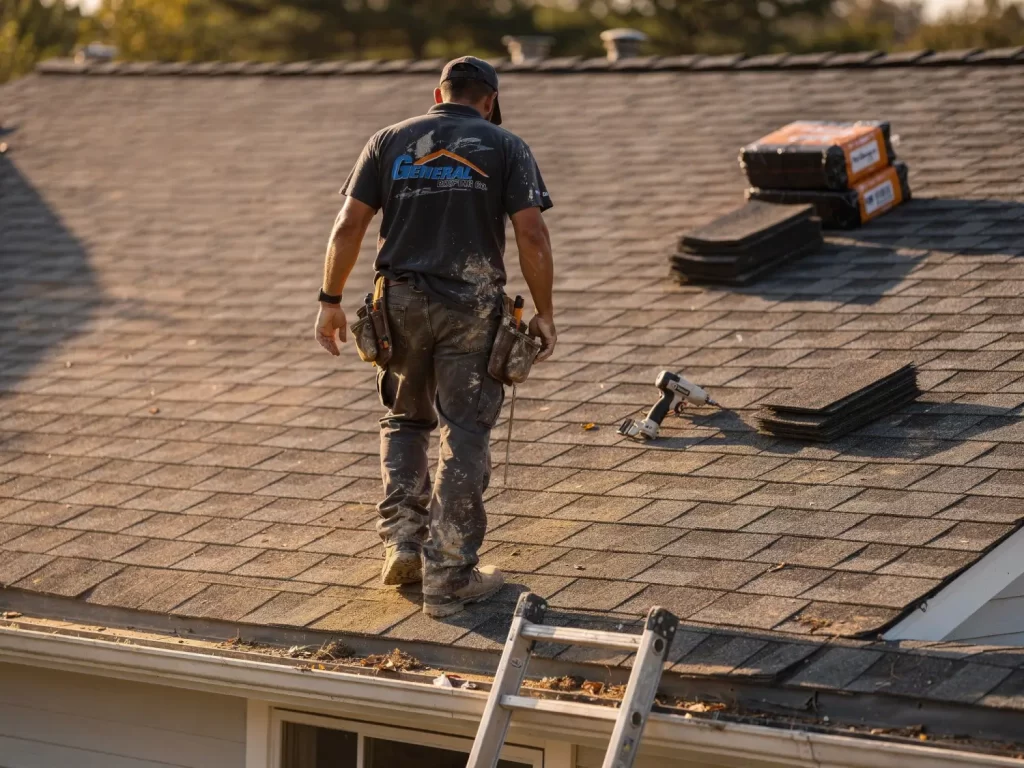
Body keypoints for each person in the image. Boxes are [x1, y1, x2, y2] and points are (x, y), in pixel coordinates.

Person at [314, 56, 556, 618]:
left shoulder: (389, 141)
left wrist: (329, 301)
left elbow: (348, 225)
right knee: (465, 431)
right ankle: (448, 572)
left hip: (397, 301)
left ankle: (403, 542)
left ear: (438, 93)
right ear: (489, 99)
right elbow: (533, 234)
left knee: (405, 419)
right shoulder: (504, 146)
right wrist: (544, 312)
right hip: (469, 304)